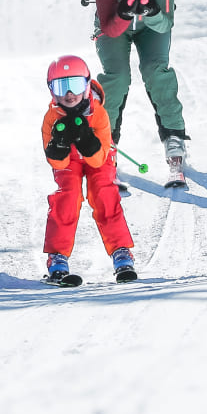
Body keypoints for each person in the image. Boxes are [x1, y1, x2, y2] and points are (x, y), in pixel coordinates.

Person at [93, 0, 189, 168]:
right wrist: (124, 13)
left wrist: (152, 12)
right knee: (117, 77)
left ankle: (174, 135)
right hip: (115, 27)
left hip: (150, 28)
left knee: (156, 71)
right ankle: (105, 141)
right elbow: (110, 29)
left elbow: (165, 24)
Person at [42, 54, 136, 282]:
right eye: (61, 87)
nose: (69, 94)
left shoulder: (99, 113)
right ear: (52, 91)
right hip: (70, 161)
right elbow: (57, 164)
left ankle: (121, 251)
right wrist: (59, 147)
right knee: (68, 195)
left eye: (75, 85)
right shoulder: (51, 118)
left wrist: (86, 141)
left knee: (104, 192)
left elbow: (98, 160)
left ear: (86, 85)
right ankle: (57, 257)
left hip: (98, 157)